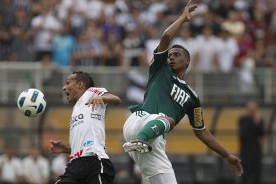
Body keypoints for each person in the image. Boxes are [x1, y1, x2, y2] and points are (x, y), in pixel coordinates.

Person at [122, 1, 244, 183]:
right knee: (167, 118)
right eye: (170, 55)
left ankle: (140, 141)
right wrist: (182, 18)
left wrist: (227, 155)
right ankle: (140, 140)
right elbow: (165, 37)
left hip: (152, 139)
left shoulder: (192, 97)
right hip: (143, 124)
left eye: (176, 55)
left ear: (187, 61)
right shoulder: (160, 69)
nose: (171, 57)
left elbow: (202, 132)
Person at [49, 71, 121, 184]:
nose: (64, 87)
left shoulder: (91, 92)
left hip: (94, 161)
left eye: (68, 83)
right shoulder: (76, 109)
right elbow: (85, 140)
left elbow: (116, 99)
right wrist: (67, 149)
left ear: (80, 84)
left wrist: (102, 98)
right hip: (75, 164)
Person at [238, 101, 265, 184]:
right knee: (245, 175)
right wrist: (256, 137)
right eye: (251, 109)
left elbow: (262, 132)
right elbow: (244, 134)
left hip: (256, 152)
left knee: (257, 175)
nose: (252, 111)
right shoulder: (242, 119)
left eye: (254, 109)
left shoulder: (259, 120)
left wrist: (256, 122)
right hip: (245, 152)